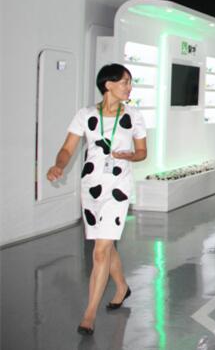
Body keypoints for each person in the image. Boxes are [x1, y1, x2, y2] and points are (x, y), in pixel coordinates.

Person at [47, 63, 147, 336]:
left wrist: (130, 155)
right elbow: (67, 149)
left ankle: (89, 314)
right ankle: (122, 287)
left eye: (130, 82)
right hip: (91, 188)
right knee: (106, 244)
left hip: (119, 187)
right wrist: (58, 165)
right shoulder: (85, 115)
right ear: (108, 85)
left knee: (101, 250)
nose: (129, 87)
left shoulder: (134, 116)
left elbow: (142, 152)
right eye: (125, 82)